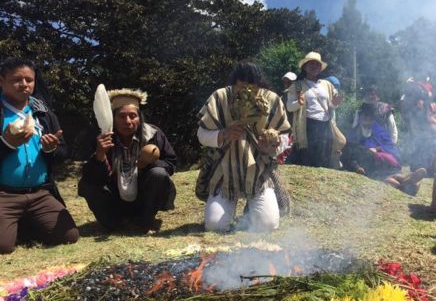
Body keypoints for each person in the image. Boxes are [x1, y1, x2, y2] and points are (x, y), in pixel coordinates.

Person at [196, 62, 291, 232]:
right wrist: (222, 134)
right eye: (241, 88)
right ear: (234, 84)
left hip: (258, 172)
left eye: (252, 89)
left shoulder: (272, 99)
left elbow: (285, 136)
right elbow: (201, 135)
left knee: (268, 225)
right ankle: (228, 204)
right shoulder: (220, 97)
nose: (247, 93)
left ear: (259, 85)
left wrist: (272, 145)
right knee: (214, 226)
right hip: (224, 173)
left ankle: (251, 210)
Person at [0, 59, 78, 254]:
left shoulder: (43, 114)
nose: (24, 84)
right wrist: (6, 144)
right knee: (3, 246)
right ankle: (14, 224)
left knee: (69, 236)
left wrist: (51, 149)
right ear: (1, 81)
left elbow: (63, 153)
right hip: (4, 194)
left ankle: (23, 223)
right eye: (17, 79)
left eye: (29, 80)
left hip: (39, 193)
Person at [79, 88, 177, 234]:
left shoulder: (153, 134)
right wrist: (100, 155)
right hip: (114, 199)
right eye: (121, 116)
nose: (128, 121)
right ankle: (115, 224)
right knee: (86, 185)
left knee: (158, 174)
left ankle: (147, 220)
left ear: (140, 117)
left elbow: (171, 163)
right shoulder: (102, 138)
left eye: (133, 116)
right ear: (113, 118)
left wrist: (147, 163)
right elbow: (88, 176)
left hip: (144, 197)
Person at [343, 103, 422, 195]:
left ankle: (408, 180)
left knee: (396, 175)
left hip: (387, 164)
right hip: (370, 167)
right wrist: (356, 166)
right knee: (387, 179)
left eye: (370, 118)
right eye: (365, 117)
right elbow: (349, 154)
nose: (368, 121)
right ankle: (408, 187)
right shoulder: (354, 133)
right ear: (360, 117)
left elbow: (391, 146)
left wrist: (378, 149)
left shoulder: (380, 131)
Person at [286, 51, 343, 168]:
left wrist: (334, 104)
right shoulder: (297, 85)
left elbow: (331, 106)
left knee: (324, 157)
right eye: (311, 63)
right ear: (304, 67)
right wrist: (299, 103)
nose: (314, 66)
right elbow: (289, 107)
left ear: (320, 68)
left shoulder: (327, 84)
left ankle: (322, 182)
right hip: (307, 125)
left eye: (317, 64)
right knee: (307, 158)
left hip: (325, 124)